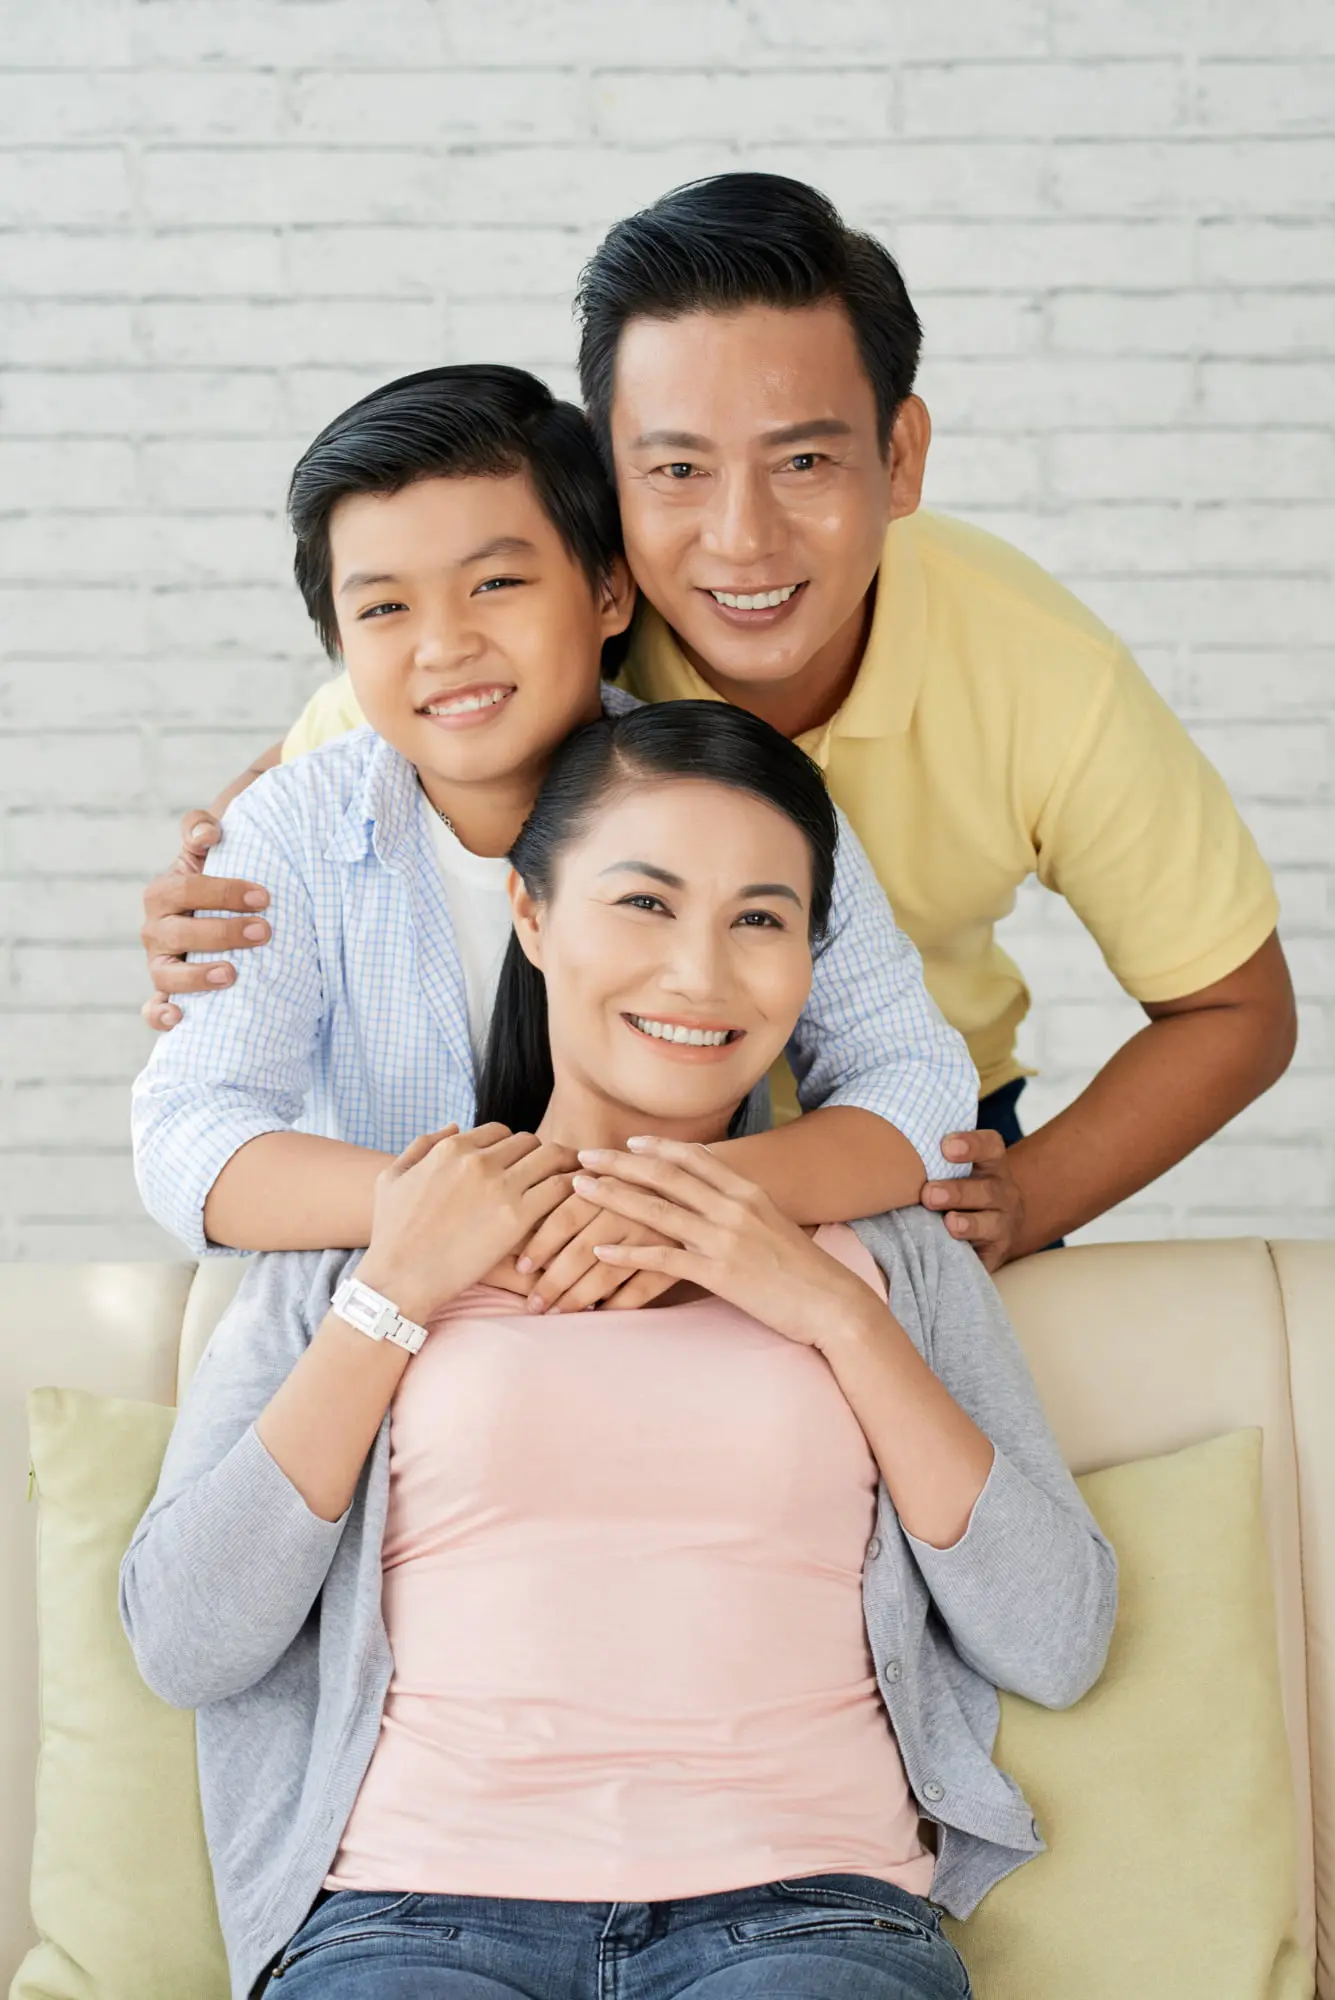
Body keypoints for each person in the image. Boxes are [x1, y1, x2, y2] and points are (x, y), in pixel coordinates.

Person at [121, 703, 1115, 2000]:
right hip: (410, 1924)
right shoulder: (349, 1241)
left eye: (758, 919)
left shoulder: (892, 1259)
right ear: (531, 916)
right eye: (643, 904)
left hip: (808, 1923)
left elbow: (1057, 1638)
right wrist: (397, 1292)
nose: (699, 973)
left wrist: (824, 1308)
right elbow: (186, 1641)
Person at [141, 173, 1295, 1270]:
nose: (742, 540)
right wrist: (217, 879)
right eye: (678, 468)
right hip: (473, 1192)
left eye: (802, 458)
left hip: (891, 1150)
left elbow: (1231, 1010)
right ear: (609, 483)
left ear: (898, 456)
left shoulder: (1045, 676)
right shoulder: (501, 650)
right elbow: (344, 769)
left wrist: (1025, 1198)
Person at [131, 365, 975, 1307]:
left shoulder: (732, 797)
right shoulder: (289, 830)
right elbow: (188, 1135)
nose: (444, 644)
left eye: (495, 582)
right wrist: (463, 1215)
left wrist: (668, 1204)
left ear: (610, 592)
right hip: (380, 1343)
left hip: (673, 1314)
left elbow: (916, 1084)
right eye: (383, 608)